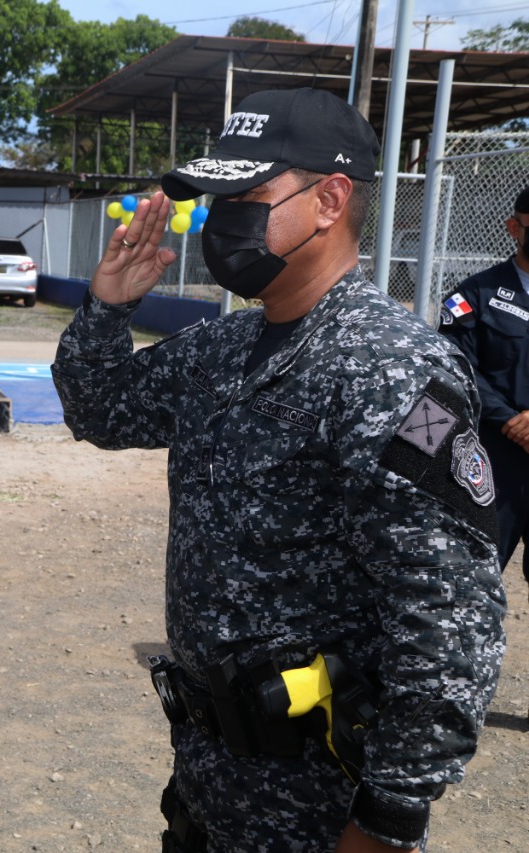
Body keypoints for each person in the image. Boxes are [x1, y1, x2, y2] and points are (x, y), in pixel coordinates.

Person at [51, 88, 505, 852]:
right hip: (210, 776)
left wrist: (390, 817)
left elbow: (450, 618)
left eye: (246, 198)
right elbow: (99, 410)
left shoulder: (389, 368)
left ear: (329, 201)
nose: (224, 219)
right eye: (219, 199)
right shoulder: (223, 347)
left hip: (318, 800)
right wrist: (107, 308)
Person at [437, 186, 529, 579]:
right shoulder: (475, 295)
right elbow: (456, 366)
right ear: (514, 227)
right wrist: (510, 421)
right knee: (475, 573)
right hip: (494, 458)